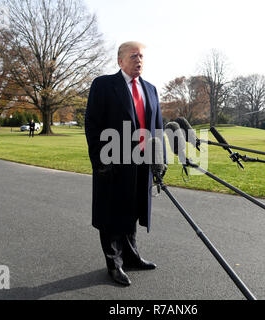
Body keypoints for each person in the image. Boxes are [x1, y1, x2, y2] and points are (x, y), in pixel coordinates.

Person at [85, 41, 166, 286]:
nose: (138, 60)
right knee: (111, 212)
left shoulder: (151, 89)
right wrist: (100, 158)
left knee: (133, 209)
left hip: (141, 163)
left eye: (141, 56)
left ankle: (131, 256)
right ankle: (114, 262)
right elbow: (92, 124)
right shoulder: (103, 85)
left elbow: (158, 128)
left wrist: (159, 159)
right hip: (112, 160)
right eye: (133, 56)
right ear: (120, 61)